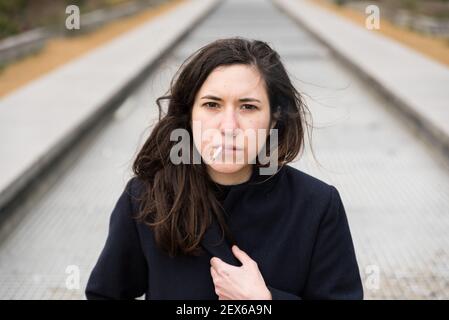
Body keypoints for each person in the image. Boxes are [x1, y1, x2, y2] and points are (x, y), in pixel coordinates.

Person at [85, 37, 363, 300]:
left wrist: (263, 300)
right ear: (189, 114)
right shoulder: (146, 198)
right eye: (212, 105)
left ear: (274, 118)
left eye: (248, 107)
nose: (228, 127)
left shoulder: (316, 205)